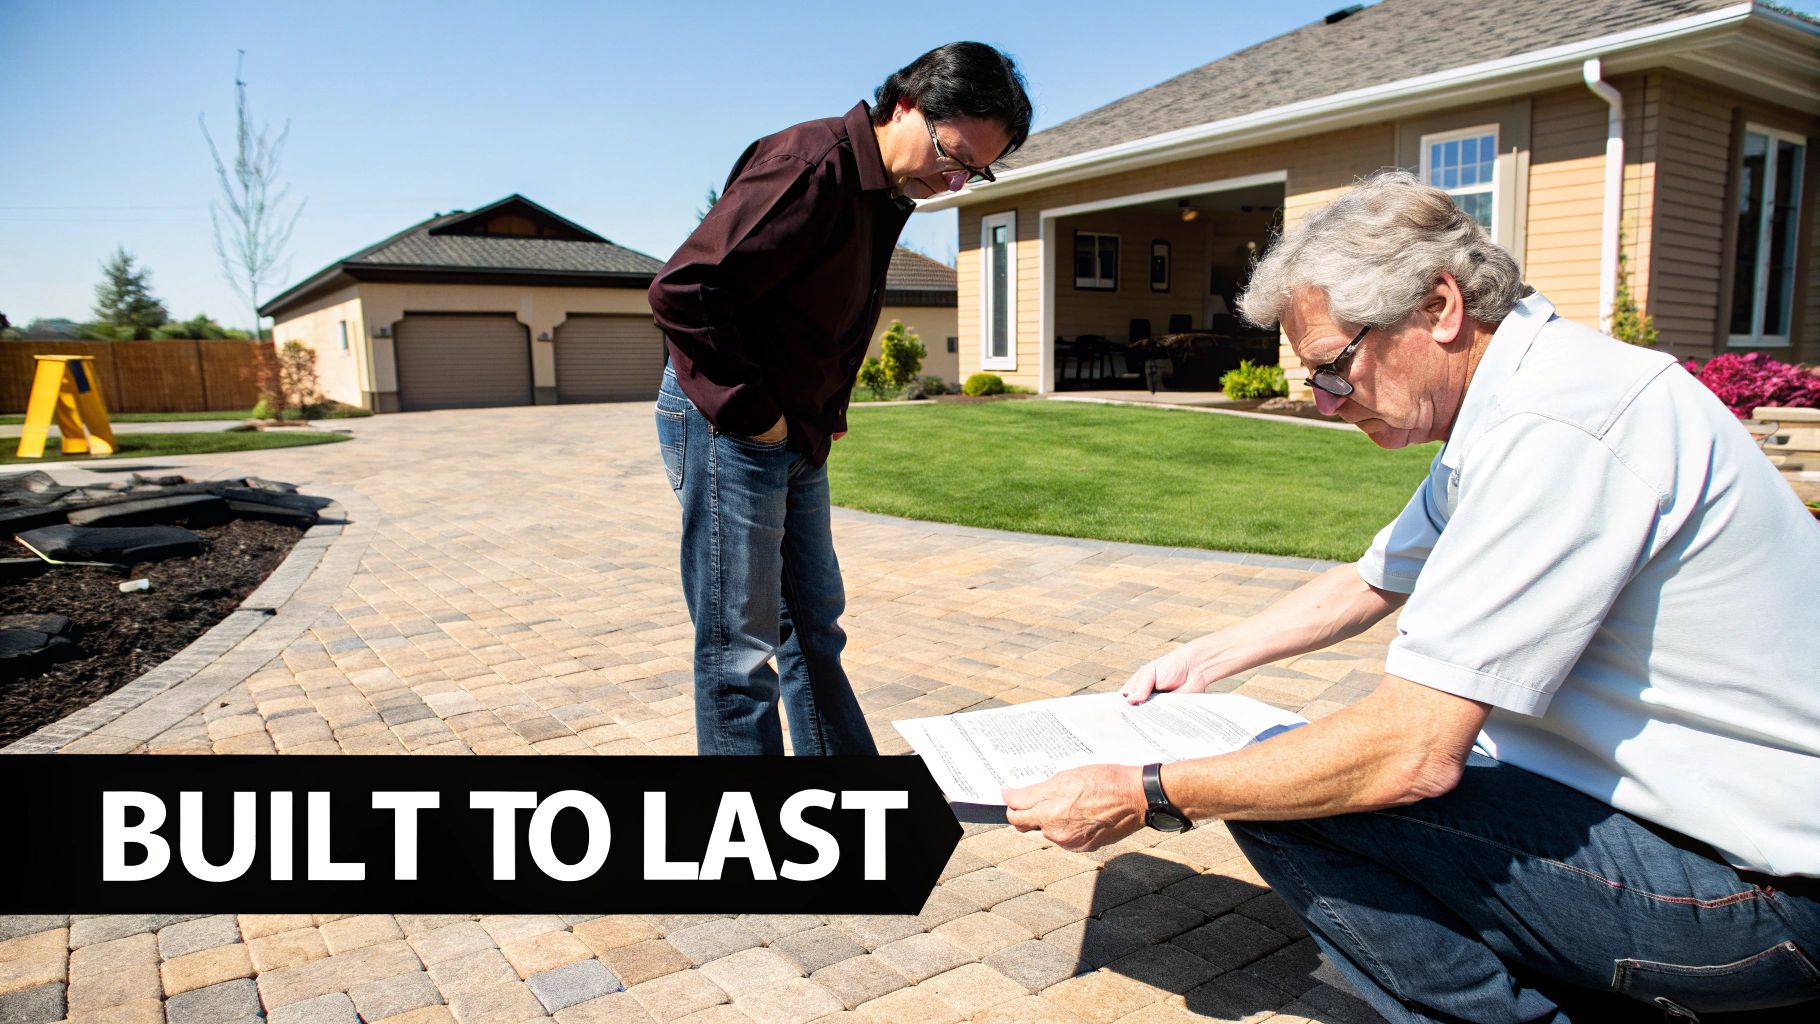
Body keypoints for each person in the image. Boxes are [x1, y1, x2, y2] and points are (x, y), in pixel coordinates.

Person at [1002, 170, 1820, 1021]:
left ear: (1439, 306)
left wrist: (1147, 790)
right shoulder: (1518, 397)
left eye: (1333, 368)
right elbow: (1373, 577)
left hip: (1764, 897)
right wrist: (1206, 658)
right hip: (1685, 831)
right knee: (1288, 768)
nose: (1325, 404)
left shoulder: (1561, 427)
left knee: (1292, 796)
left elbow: (1410, 755)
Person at [649, 43, 1032, 756]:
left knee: (814, 630)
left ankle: (844, 805)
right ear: (909, 103)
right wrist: (756, 416)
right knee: (739, 651)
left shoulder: (882, 191)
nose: (952, 182)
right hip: (730, 426)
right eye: (952, 156)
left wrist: (820, 415)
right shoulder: (809, 166)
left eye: (972, 172)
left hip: (790, 430)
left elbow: (817, 313)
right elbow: (684, 290)